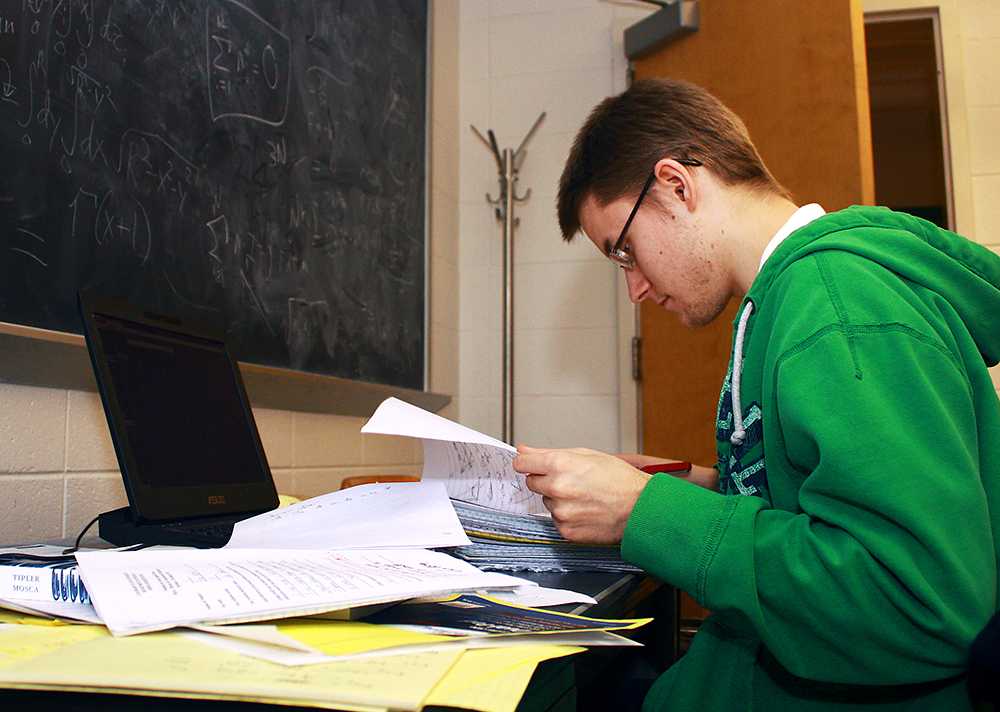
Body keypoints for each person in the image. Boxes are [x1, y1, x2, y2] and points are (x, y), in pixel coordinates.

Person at [512, 78, 1000, 711]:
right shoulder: (778, 303)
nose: (635, 287)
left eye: (625, 250)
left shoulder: (836, 304)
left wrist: (644, 512)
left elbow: (915, 606)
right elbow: (817, 506)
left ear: (677, 185)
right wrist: (691, 486)